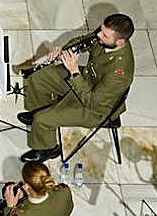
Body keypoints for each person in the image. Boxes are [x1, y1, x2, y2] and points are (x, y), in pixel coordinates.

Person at [17, 13, 136, 162]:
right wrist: (65, 52)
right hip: (86, 79)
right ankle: (42, 111)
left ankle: (47, 148)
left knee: (42, 120)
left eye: (104, 35)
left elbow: (93, 103)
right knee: (38, 77)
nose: (98, 35)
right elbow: (82, 41)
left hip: (95, 108)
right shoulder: (106, 37)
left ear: (120, 42)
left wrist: (74, 72)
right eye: (101, 29)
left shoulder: (120, 72)